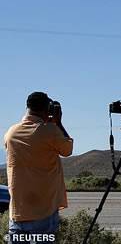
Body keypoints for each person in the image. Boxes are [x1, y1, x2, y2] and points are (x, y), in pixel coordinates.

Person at [4, 92, 73, 243]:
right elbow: (67, 150)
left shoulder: (11, 133)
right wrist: (58, 123)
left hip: (18, 211)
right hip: (43, 211)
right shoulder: (50, 131)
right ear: (47, 108)